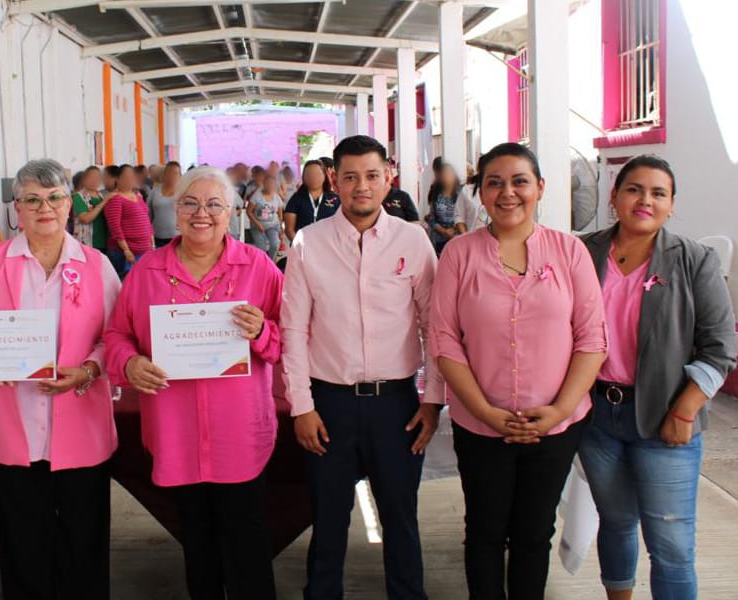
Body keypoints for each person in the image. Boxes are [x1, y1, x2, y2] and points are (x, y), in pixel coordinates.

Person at [430, 142, 607, 600]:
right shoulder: (459, 255)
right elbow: (444, 340)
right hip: (480, 425)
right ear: (481, 193)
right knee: (485, 532)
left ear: (540, 188)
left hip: (555, 426)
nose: (508, 193)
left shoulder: (569, 252)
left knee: (534, 533)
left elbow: (592, 338)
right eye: (495, 183)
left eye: (520, 181)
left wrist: (559, 410)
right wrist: (486, 413)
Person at [104, 166, 283, 600]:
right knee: (197, 545)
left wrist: (260, 331)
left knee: (247, 546)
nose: (201, 213)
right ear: (174, 210)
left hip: (238, 435)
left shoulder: (257, 266)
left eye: (213, 204)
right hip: (176, 433)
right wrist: (128, 364)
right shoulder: (147, 270)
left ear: (232, 211)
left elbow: (289, 339)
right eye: (190, 203)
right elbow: (115, 336)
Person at [0, 159, 120, 599]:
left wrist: (87, 369)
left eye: (54, 198)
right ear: (17, 209)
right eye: (32, 200)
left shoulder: (97, 264)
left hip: (81, 425)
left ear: (69, 204)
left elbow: (117, 338)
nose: (44, 208)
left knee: (84, 543)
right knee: (23, 544)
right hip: (13, 425)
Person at [282, 135, 441, 600]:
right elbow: (293, 331)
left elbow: (435, 328)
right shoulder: (308, 243)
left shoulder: (412, 240)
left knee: (400, 518)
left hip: (397, 406)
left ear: (388, 176)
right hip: (328, 404)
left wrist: (433, 401)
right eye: (350, 177)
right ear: (334, 180)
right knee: (328, 519)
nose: (361, 187)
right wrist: (301, 407)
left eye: (372, 176)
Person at [578, 156, 736, 600]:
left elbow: (721, 347)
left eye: (658, 193)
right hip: (597, 420)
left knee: (670, 545)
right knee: (616, 522)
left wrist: (685, 410)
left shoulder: (695, 260)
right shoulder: (584, 253)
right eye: (633, 189)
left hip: (667, 421)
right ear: (614, 196)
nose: (644, 200)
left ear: (671, 205)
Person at [104, 164, 154, 278]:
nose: (129, 180)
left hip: (144, 251)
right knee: (123, 284)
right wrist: (126, 250)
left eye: (132, 176)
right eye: (126, 176)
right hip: (124, 253)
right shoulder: (115, 199)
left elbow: (147, 220)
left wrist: (152, 244)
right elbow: (115, 227)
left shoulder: (138, 196)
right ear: (118, 179)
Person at [283, 160, 340, 242]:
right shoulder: (296, 199)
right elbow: (289, 230)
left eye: (317, 174)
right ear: (304, 177)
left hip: (329, 246)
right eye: (309, 174)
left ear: (324, 176)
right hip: (303, 247)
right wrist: (300, 247)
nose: (313, 177)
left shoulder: (334, 198)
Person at [425, 163, 461, 255]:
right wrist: (444, 231)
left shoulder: (461, 193)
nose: (446, 176)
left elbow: (465, 216)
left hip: (458, 236)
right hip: (439, 239)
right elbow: (432, 218)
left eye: (449, 173)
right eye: (443, 174)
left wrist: (455, 230)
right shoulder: (436, 193)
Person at [72, 165, 110, 253]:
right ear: (84, 179)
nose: (94, 181)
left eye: (97, 178)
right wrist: (103, 203)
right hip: (87, 242)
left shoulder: (101, 196)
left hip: (104, 242)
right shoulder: (78, 197)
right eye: (91, 177)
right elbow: (85, 219)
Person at [247, 174, 284, 260]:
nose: (270, 186)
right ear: (264, 184)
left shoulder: (277, 197)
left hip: (273, 226)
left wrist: (281, 231)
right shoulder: (257, 196)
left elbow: (280, 216)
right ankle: (262, 263)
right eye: (268, 183)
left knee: (275, 244)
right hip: (257, 227)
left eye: (272, 184)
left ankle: (269, 262)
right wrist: (257, 224)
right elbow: (249, 212)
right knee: (261, 248)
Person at [147, 161, 182, 247]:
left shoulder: (183, 193)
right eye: (169, 172)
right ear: (164, 174)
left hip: (178, 237)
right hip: (157, 237)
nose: (172, 176)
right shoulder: (154, 192)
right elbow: (148, 215)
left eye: (175, 173)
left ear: (180, 176)